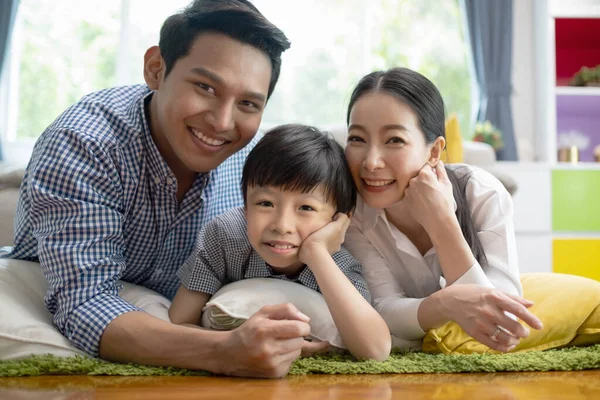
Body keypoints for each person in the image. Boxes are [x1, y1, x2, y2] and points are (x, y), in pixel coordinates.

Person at [0, 0, 321, 378]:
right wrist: (224, 351)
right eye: (205, 87)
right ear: (156, 69)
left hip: (182, 312)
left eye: (248, 103)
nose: (222, 122)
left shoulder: (253, 160)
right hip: (46, 296)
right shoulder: (83, 143)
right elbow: (86, 304)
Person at [342, 67, 544, 352]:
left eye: (395, 140)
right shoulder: (353, 213)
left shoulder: (482, 193)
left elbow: (502, 324)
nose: (371, 162)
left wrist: (441, 221)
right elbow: (381, 309)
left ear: (434, 152)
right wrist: (445, 304)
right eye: (357, 139)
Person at [169, 124, 391, 361]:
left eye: (306, 208)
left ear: (339, 219)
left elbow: (376, 351)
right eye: (265, 203)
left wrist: (317, 254)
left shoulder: (339, 265)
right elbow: (178, 324)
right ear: (245, 206)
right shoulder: (224, 236)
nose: (281, 225)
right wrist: (234, 344)